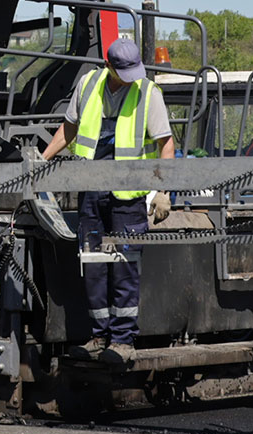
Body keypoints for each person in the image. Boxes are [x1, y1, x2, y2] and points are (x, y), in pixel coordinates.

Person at [39, 38, 175, 365]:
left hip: (128, 198)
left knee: (126, 267)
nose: (131, 77)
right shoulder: (88, 85)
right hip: (91, 192)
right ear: (108, 65)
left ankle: (123, 340)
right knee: (95, 265)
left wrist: (164, 190)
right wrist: (41, 160)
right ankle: (99, 336)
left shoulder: (148, 93)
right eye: (124, 72)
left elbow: (165, 144)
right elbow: (69, 128)